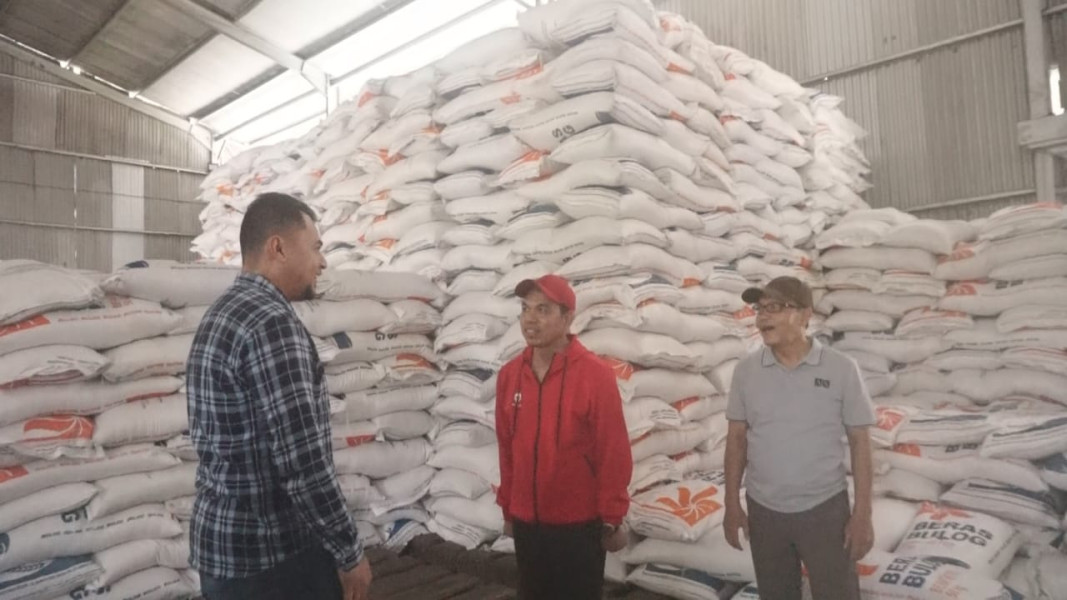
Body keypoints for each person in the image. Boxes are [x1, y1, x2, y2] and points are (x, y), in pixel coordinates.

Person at [186, 192, 372, 600]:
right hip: (271, 561)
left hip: (225, 551)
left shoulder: (220, 313)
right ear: (279, 248)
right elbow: (302, 463)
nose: (322, 262)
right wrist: (349, 552)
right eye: (316, 247)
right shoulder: (272, 324)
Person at [722, 276, 875, 600]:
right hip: (765, 511)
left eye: (775, 307)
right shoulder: (746, 371)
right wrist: (731, 503)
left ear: (806, 315)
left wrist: (862, 514)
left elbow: (860, 443)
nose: (762, 317)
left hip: (824, 510)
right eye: (760, 308)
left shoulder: (841, 369)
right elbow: (736, 439)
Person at [495, 274, 633, 600]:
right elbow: (507, 449)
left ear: (567, 317)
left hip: (578, 526)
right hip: (527, 523)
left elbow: (612, 451)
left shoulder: (595, 376)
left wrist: (612, 517)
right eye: (525, 309)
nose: (530, 319)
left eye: (543, 310)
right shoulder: (510, 375)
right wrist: (509, 509)